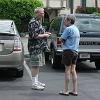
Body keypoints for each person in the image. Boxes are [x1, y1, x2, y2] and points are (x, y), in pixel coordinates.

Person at [28, 7, 51, 90]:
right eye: (41, 13)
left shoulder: (37, 21)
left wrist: (45, 33)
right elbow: (34, 36)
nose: (43, 14)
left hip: (39, 47)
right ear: (36, 13)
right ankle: (34, 84)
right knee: (35, 65)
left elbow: (38, 33)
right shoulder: (33, 22)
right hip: (35, 48)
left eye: (43, 13)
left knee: (37, 65)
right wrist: (44, 35)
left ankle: (36, 81)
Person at [59, 14, 80, 96]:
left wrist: (61, 40)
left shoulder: (68, 29)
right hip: (75, 51)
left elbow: (61, 39)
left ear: (69, 21)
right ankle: (75, 90)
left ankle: (66, 90)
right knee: (73, 70)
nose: (64, 21)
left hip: (68, 51)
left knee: (67, 70)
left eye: (65, 20)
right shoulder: (76, 29)